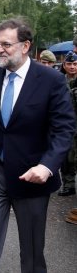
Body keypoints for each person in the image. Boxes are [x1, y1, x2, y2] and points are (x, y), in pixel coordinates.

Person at [0, 18, 75, 273]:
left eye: (7, 44)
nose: (0, 49)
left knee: (31, 247)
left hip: (32, 177)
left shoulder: (51, 80)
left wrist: (47, 166)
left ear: (25, 46)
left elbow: (64, 129)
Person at [58, 51, 77, 196]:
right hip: (66, 124)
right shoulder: (59, 80)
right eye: (69, 64)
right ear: (64, 65)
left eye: (75, 64)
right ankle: (68, 185)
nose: (72, 67)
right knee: (67, 157)